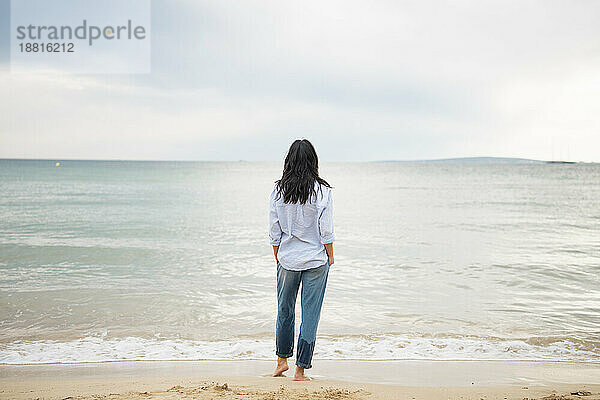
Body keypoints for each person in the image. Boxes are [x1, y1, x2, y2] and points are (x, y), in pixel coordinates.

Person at [268, 139, 335, 381]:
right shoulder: (323, 191)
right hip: (316, 260)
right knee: (310, 314)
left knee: (284, 311)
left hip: (287, 259)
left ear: (289, 161)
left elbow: (274, 230)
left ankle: (280, 361)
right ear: (313, 161)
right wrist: (331, 254)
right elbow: (326, 230)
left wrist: (278, 254)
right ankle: (300, 370)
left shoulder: (278, 190)